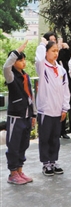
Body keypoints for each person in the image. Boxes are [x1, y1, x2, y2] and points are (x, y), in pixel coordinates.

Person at [35, 38, 71, 176]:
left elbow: (66, 90)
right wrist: (42, 44)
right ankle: (46, 163)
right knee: (45, 138)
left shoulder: (61, 70)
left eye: (57, 51)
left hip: (58, 110)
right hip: (45, 110)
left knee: (55, 138)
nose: (56, 53)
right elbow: (39, 58)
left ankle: (53, 161)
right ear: (46, 52)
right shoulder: (42, 67)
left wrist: (64, 108)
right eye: (53, 51)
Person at [3, 40, 36, 184]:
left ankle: (20, 171)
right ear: (14, 61)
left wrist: (33, 114)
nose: (23, 63)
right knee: (14, 145)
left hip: (26, 115)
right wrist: (17, 51)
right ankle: (12, 173)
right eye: (20, 60)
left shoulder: (26, 76)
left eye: (24, 60)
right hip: (16, 116)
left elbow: (31, 96)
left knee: (23, 144)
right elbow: (6, 66)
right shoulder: (11, 76)